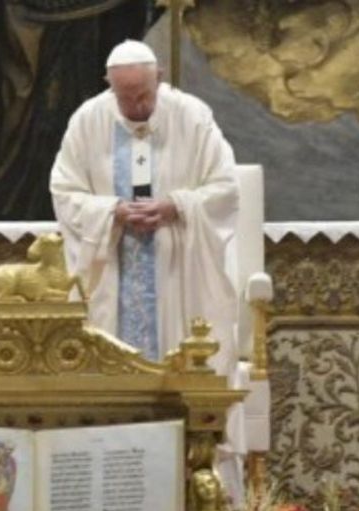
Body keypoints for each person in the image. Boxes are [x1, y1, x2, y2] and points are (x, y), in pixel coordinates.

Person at [50, 39, 240, 376]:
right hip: (111, 268)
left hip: (177, 269)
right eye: (125, 98)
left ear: (160, 79)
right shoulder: (87, 120)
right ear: (109, 86)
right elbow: (64, 191)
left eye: (144, 96)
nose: (136, 107)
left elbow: (225, 188)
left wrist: (176, 206)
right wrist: (112, 212)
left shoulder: (192, 116)